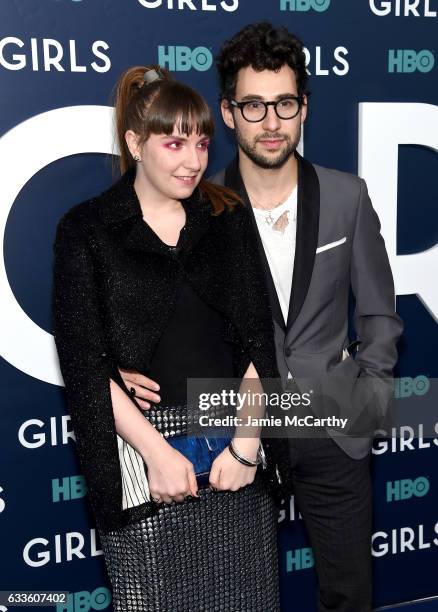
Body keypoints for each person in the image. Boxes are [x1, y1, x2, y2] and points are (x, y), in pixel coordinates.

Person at [119, 24, 404, 612]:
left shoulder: (348, 197)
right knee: (228, 596)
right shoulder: (192, 207)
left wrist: (369, 403)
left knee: (348, 595)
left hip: (332, 426)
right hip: (229, 431)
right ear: (228, 113)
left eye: (284, 103)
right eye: (253, 105)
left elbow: (379, 313)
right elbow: (154, 312)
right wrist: (123, 368)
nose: (270, 121)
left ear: (304, 109)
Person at [52, 64, 285, 611]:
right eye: (175, 142)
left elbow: (258, 342)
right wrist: (155, 453)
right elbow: (84, 362)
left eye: (201, 143)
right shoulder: (86, 229)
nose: (193, 160)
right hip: (140, 458)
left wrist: (247, 448)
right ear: (136, 142)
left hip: (235, 452)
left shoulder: (228, 219)